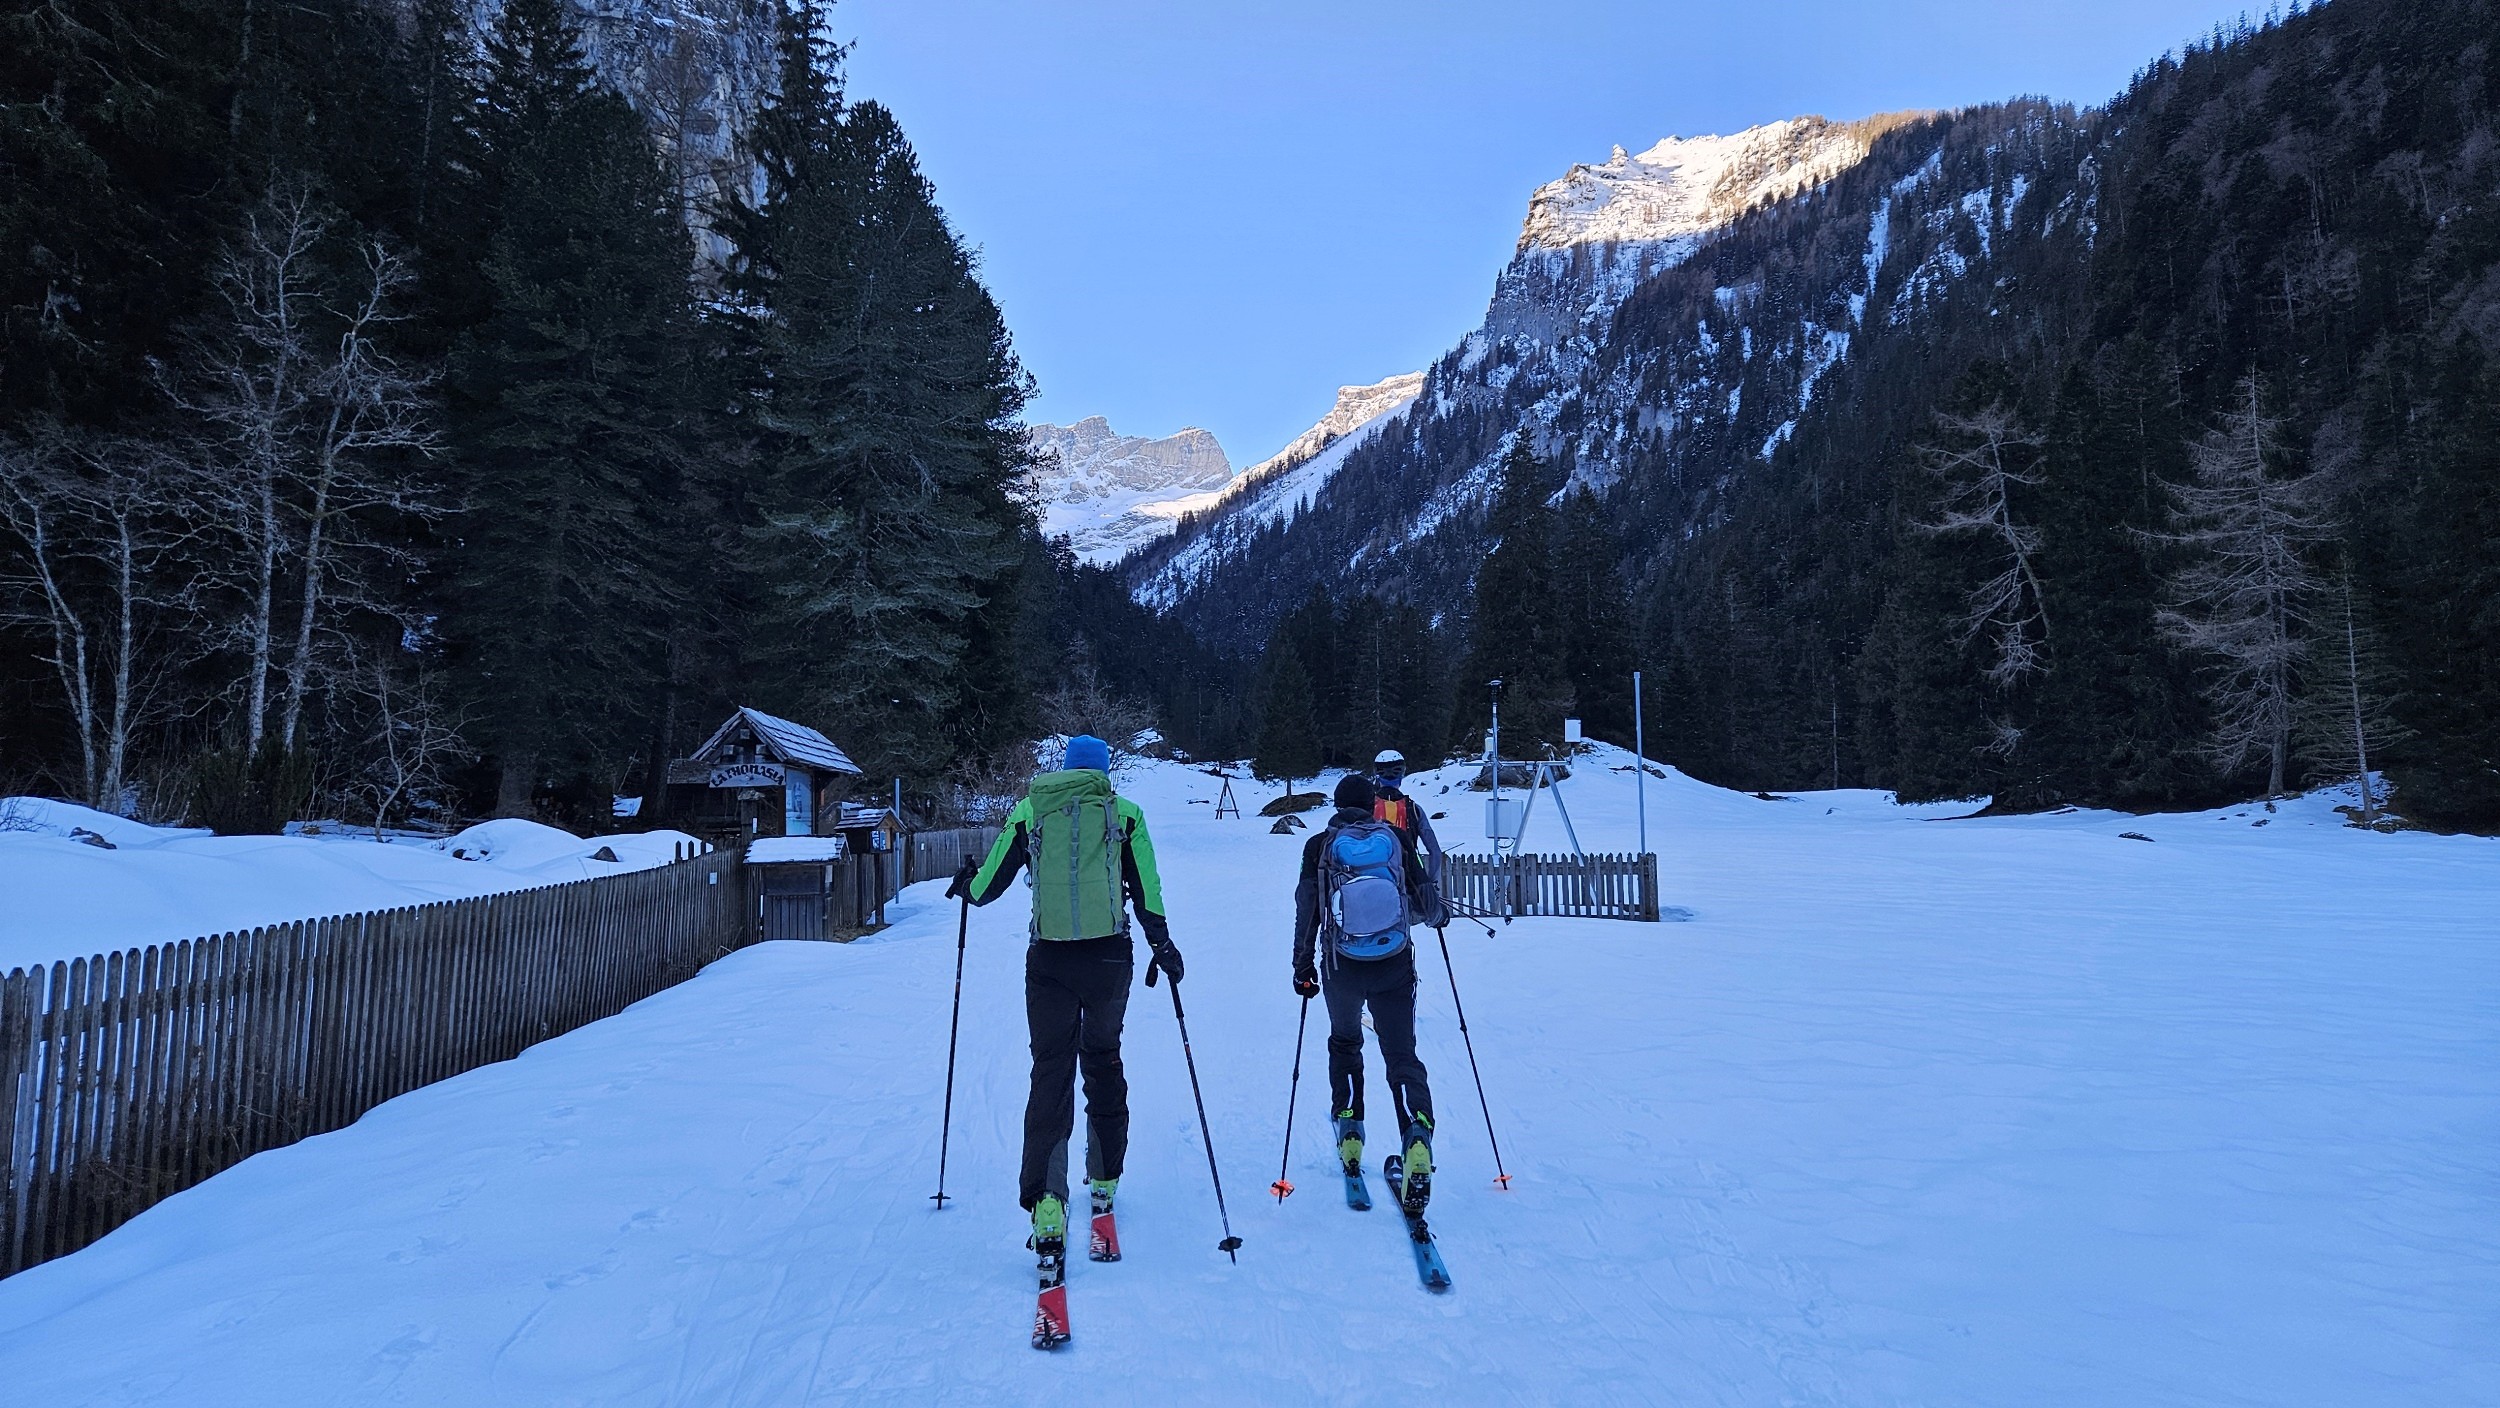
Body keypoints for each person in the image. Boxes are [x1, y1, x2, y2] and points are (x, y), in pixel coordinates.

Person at [952, 734, 1183, 1256]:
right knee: (1103, 1059)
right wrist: (1162, 943)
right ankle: (1103, 1180)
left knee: (1050, 1070)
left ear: (1064, 767)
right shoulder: (1124, 815)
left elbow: (987, 888)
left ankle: (1047, 1200)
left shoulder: (1031, 809)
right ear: (1103, 771)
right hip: (1108, 960)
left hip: (1050, 961)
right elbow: (1147, 887)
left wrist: (967, 885)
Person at [1292, 772, 1447, 1211]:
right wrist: (1437, 917)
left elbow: (1308, 910)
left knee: (1345, 1042)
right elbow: (1425, 899)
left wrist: (1302, 966)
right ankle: (1416, 1134)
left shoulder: (1319, 846)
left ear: (1337, 806)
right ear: (1372, 804)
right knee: (1401, 1055)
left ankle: (1350, 1129)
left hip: (1342, 966)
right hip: (1394, 963)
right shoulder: (1395, 839)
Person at [1369, 748, 1444, 883]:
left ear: (1377, 774)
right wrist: (1431, 883)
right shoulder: (1414, 809)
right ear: (1402, 774)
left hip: (1373, 876)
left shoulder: (1366, 807)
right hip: (1409, 876)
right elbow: (1435, 851)